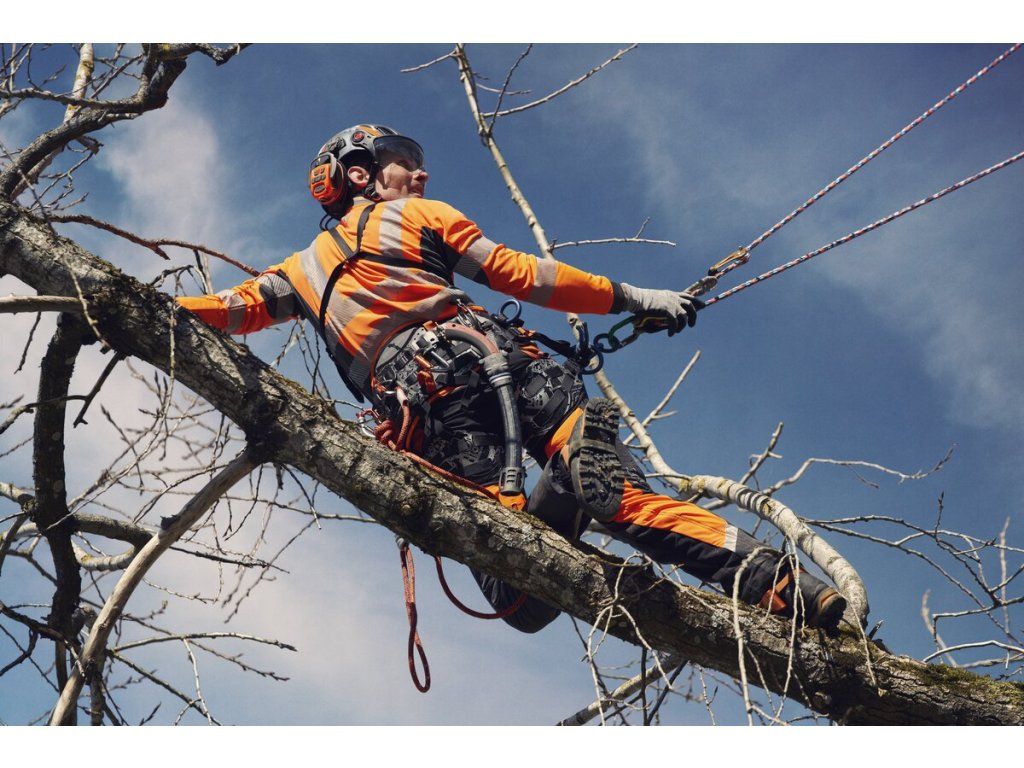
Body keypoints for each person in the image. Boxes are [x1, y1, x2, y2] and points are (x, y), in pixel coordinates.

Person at [177, 123, 847, 633]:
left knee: (516, 596)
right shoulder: (423, 217)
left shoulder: (298, 274)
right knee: (628, 501)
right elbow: (524, 275)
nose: (421, 171)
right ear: (359, 175)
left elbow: (230, 310)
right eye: (404, 162)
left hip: (438, 412)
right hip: (519, 367)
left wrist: (155, 308)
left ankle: (568, 483)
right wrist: (631, 296)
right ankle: (785, 584)